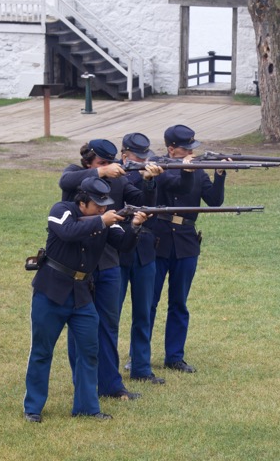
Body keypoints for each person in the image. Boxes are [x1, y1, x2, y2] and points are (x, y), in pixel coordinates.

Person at [23, 177, 148, 423]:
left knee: (89, 351)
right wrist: (102, 220)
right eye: (98, 204)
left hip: (82, 294)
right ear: (82, 201)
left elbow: (123, 245)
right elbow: (68, 232)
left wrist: (134, 226)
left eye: (105, 205)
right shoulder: (61, 211)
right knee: (42, 351)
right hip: (51, 290)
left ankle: (87, 407)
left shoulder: (105, 219)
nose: (103, 208)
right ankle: (33, 407)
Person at [58, 139, 163, 400]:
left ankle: (111, 385)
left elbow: (143, 202)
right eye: (101, 163)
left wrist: (149, 181)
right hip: (79, 264)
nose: (108, 167)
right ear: (89, 162)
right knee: (79, 327)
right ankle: (82, 382)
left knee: (108, 325)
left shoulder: (119, 180)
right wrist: (101, 172)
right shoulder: (75, 174)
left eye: (109, 163)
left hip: (109, 262)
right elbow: (66, 183)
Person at [149, 125, 227, 374]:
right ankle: (139, 356)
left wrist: (221, 174)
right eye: (185, 149)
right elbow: (176, 185)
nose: (191, 153)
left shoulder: (197, 171)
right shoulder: (157, 166)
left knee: (179, 303)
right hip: (159, 240)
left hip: (186, 241)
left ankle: (175, 356)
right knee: (149, 302)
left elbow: (214, 201)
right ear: (171, 149)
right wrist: (186, 170)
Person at [118, 132, 193, 385]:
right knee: (111, 316)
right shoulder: (114, 175)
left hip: (145, 249)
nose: (141, 160)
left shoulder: (146, 174)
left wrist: (149, 181)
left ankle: (141, 365)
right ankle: (109, 367)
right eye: (136, 157)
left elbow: (148, 203)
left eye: (144, 156)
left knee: (144, 310)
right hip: (116, 251)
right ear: (124, 155)